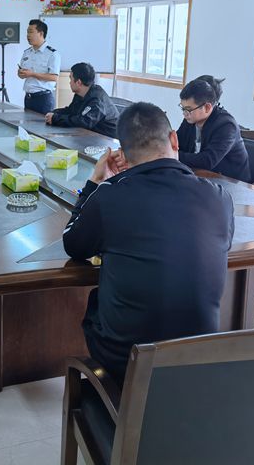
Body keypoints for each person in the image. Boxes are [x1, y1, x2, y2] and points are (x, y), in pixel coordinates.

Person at [63, 102, 234, 383]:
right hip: (199, 354)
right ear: (174, 139)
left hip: (128, 361)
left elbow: (73, 245)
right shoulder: (218, 196)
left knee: (98, 302)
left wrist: (95, 182)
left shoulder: (110, 197)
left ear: (122, 153)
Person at [176, 75, 251, 182]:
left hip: (230, 183)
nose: (184, 113)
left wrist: (173, 155)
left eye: (188, 109)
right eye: (182, 108)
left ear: (207, 107)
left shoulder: (226, 125)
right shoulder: (191, 118)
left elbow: (207, 161)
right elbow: (176, 144)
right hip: (200, 177)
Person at [45, 62, 119, 137]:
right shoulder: (80, 94)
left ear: (78, 82)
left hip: (106, 139)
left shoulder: (97, 100)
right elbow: (71, 111)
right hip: (91, 135)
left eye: (71, 79)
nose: (70, 83)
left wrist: (56, 119)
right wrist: (54, 113)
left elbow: (84, 122)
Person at [18, 19, 61, 114]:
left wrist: (32, 74)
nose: (28, 35)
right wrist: (21, 73)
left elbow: (54, 77)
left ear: (41, 33)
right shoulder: (27, 52)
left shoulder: (52, 54)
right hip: (28, 98)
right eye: (27, 32)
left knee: (43, 124)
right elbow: (22, 75)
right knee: (27, 124)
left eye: (31, 32)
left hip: (43, 99)